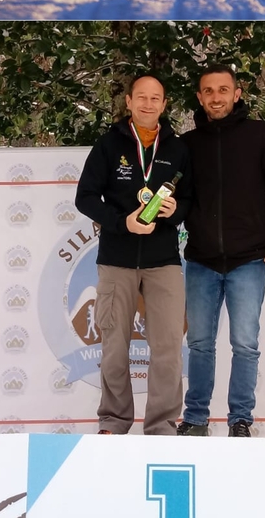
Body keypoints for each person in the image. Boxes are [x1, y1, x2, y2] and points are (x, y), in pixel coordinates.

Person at [177, 64, 265, 437]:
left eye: (223, 90)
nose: (216, 97)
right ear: (200, 97)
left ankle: (240, 419)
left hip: (249, 259)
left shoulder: (261, 135)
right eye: (208, 91)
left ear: (237, 93)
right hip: (200, 260)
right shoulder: (187, 144)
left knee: (245, 344)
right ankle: (195, 418)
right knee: (199, 343)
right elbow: (180, 199)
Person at [74, 73, 192, 435]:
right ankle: (113, 421)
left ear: (164, 104)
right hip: (116, 260)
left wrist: (176, 211)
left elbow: (191, 199)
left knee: (169, 349)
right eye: (141, 97)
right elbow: (86, 197)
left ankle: (162, 426)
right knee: (112, 346)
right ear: (128, 101)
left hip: (164, 261)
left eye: (155, 98)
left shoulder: (177, 148)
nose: (148, 104)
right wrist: (122, 222)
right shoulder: (109, 145)